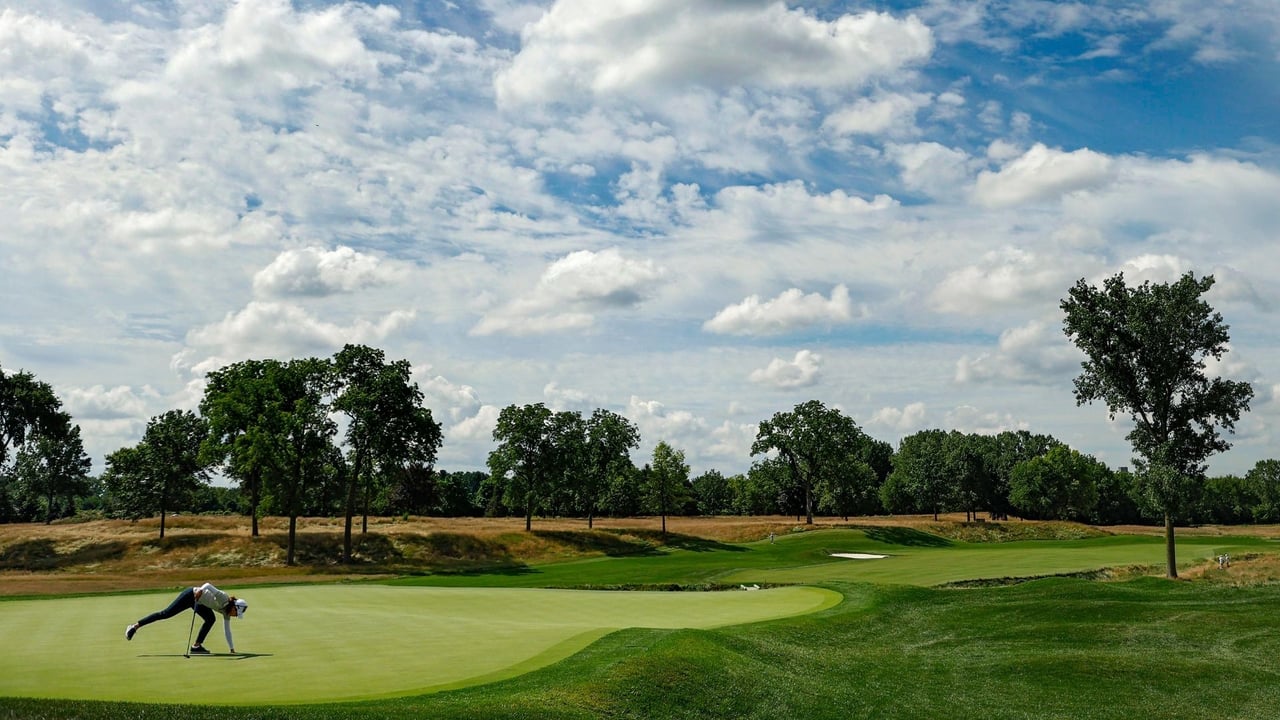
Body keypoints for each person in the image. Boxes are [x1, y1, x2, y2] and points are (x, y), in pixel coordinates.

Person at [125, 582, 247, 654]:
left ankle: (196, 646)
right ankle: (134, 626)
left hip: (200, 604)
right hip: (191, 595)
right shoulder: (223, 597)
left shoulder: (226, 613)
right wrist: (200, 590)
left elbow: (227, 631)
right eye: (236, 614)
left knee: (211, 619)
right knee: (165, 614)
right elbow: (208, 585)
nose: (235, 616)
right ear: (234, 607)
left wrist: (231, 649)